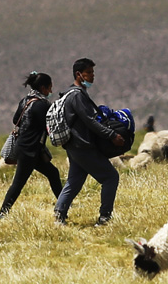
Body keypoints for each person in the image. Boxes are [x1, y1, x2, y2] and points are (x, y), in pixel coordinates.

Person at [53, 57, 125, 226]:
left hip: (74, 145)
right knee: (110, 177)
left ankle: (59, 215)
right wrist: (112, 135)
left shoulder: (71, 93)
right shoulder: (77, 96)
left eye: (93, 72)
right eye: (89, 73)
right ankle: (104, 218)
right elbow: (90, 121)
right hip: (83, 145)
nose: (93, 76)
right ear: (79, 74)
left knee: (75, 180)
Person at [0, 71, 63, 219]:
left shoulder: (26, 100)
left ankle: (63, 205)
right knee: (18, 183)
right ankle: (2, 213)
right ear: (43, 88)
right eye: (50, 87)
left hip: (26, 148)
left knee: (53, 173)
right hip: (30, 151)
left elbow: (15, 120)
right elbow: (50, 125)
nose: (51, 91)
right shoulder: (42, 105)